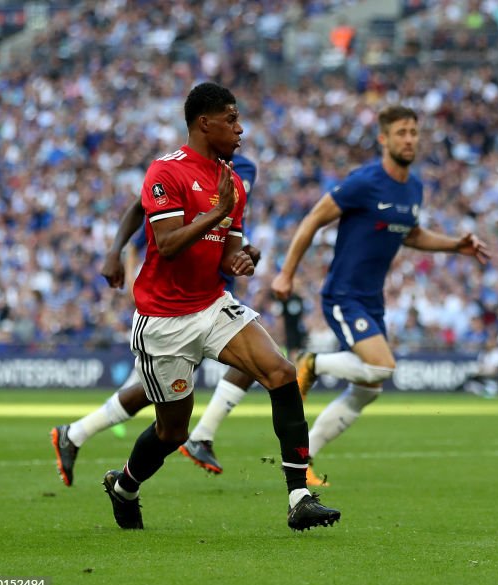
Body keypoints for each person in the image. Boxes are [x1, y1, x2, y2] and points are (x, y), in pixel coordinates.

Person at [100, 82, 338, 531]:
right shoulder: (165, 172)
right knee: (173, 432)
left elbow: (228, 252)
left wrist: (243, 258)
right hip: (163, 320)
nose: (240, 128)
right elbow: (167, 245)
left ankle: (299, 496)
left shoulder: (231, 183)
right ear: (203, 123)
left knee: (281, 373)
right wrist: (215, 213)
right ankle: (124, 487)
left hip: (210, 307)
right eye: (231, 119)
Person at [270, 105, 490, 485]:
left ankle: (304, 463)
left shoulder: (414, 187)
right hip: (343, 294)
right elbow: (312, 221)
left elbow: (411, 234)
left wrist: (456, 245)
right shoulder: (363, 182)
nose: (409, 139)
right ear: (383, 139)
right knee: (383, 367)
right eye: (401, 132)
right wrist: (286, 273)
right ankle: (312, 363)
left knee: (369, 389)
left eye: (414, 132)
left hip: (372, 300)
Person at [50, 154, 261, 485]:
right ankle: (78, 434)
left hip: (214, 291)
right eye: (229, 119)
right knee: (160, 391)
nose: (238, 129)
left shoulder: (243, 170)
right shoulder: (177, 166)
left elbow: (232, 221)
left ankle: (77, 434)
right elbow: (141, 207)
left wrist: (245, 247)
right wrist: (115, 251)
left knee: (258, 364)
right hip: (176, 299)